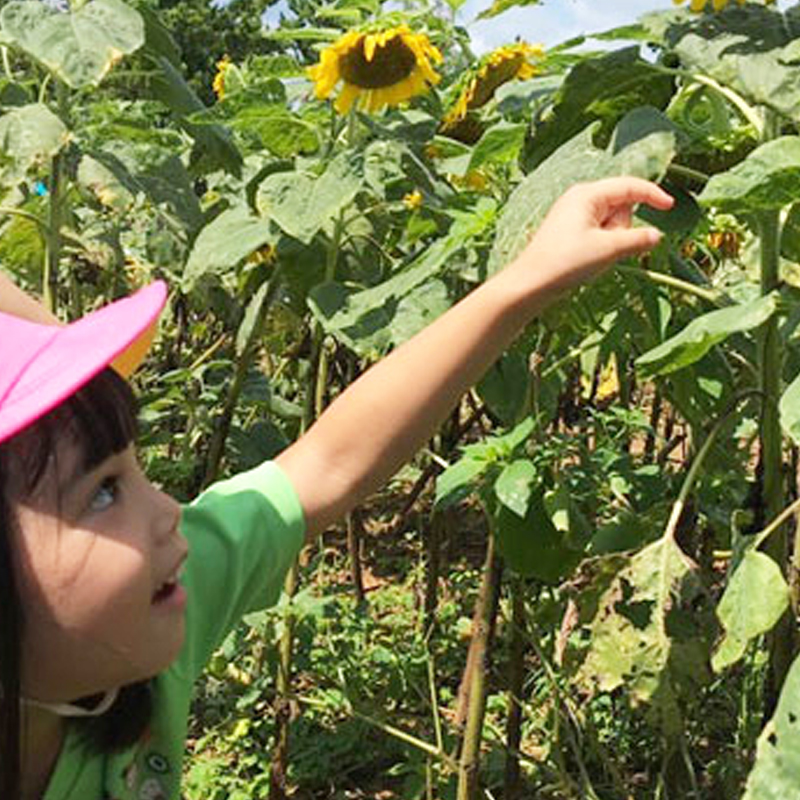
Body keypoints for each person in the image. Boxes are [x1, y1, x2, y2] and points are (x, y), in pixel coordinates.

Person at [0, 177, 673, 799]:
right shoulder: (119, 634)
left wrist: (524, 283)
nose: (170, 511)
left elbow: (328, 465)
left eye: (135, 471)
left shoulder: (132, 650)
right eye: (104, 492)